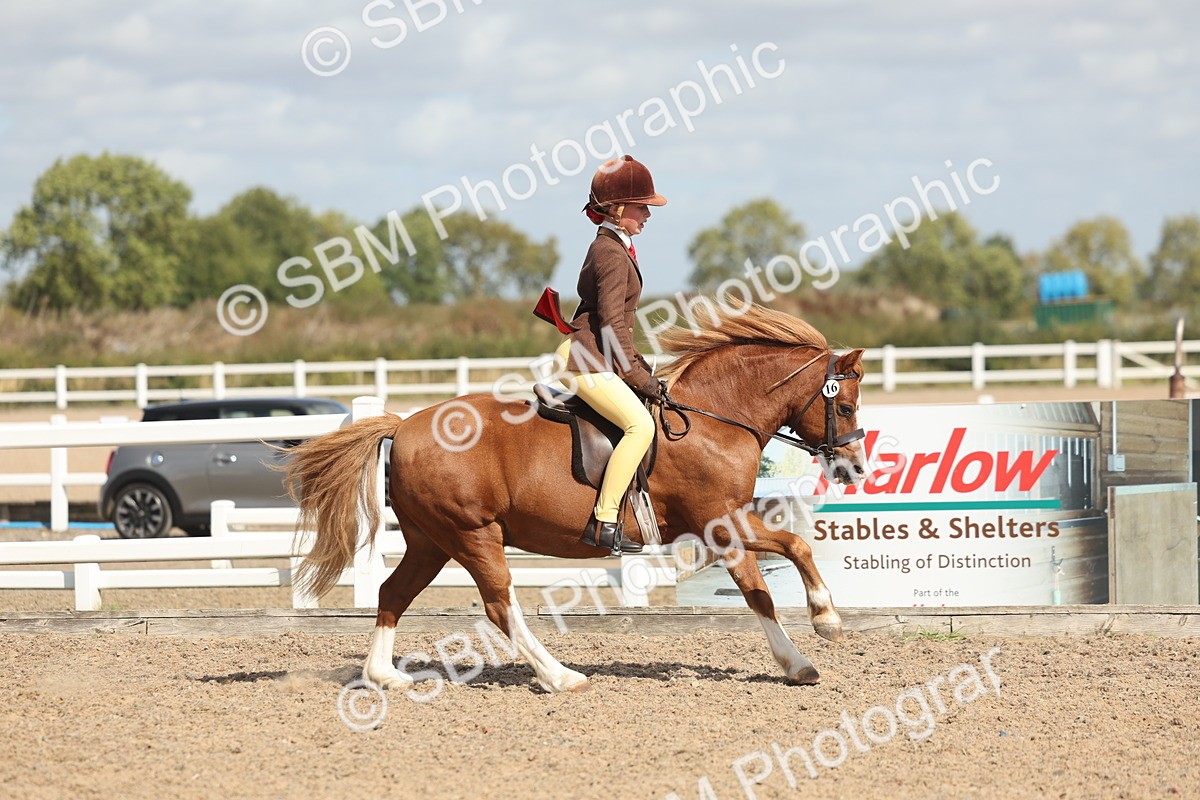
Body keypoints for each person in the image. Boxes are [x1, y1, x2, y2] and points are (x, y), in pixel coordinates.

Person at [554, 155, 668, 553]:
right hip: (587, 359)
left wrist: (639, 365)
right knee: (641, 426)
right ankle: (604, 520)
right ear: (618, 210)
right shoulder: (609, 252)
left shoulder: (617, 246)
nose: (648, 215)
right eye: (642, 207)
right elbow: (611, 323)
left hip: (596, 355)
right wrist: (638, 377)